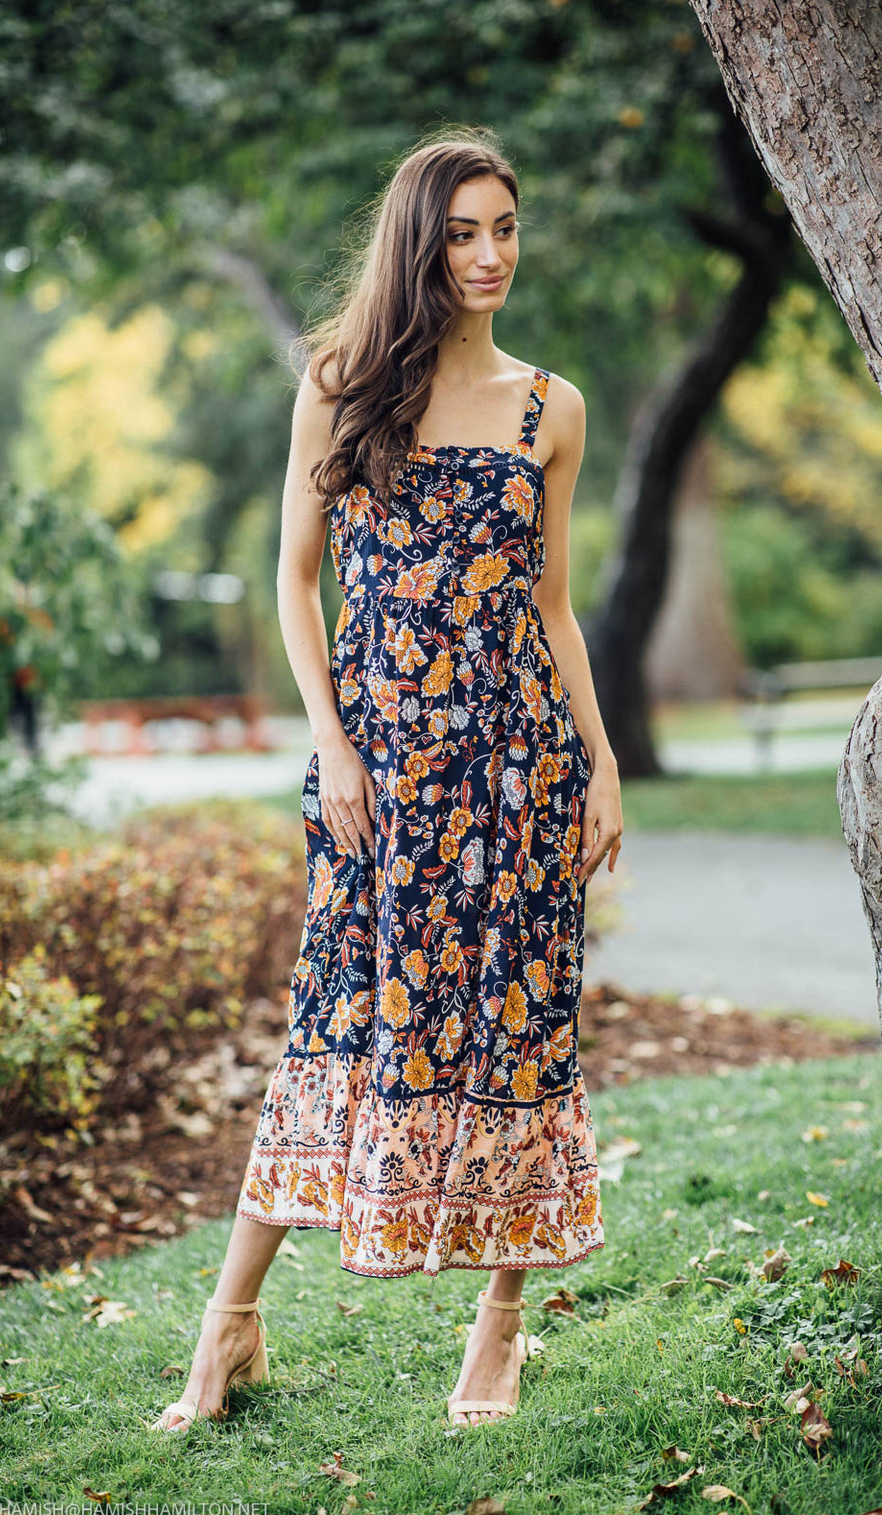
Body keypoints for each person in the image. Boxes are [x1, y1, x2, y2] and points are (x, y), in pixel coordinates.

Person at [151, 126, 623, 1435]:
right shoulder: (342, 383)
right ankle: (229, 1325)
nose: (491, 257)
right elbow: (295, 582)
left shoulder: (551, 408)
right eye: (464, 232)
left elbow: (556, 610)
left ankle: (500, 1331)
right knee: (337, 1029)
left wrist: (602, 764)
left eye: (506, 230)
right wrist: (335, 743)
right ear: (420, 244)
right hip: (381, 774)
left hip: (521, 775)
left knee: (523, 1038)